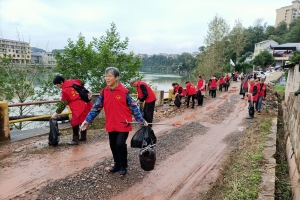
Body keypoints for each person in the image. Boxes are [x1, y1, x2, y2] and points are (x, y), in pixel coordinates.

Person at [80, 67, 148, 177]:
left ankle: (123, 165)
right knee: (113, 144)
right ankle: (117, 164)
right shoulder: (104, 92)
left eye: (109, 76)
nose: (107, 78)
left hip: (123, 123)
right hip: (111, 123)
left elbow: (133, 107)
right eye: (106, 76)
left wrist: (141, 120)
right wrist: (87, 120)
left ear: (116, 78)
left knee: (120, 144)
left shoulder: (124, 92)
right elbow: (96, 107)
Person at [51, 75, 93, 145]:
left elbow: (63, 103)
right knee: (83, 120)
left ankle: (75, 140)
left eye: (58, 85)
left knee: (74, 122)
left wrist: (56, 113)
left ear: (61, 82)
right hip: (87, 103)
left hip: (80, 107)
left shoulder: (65, 90)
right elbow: (82, 81)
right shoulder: (73, 81)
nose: (58, 87)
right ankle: (83, 137)